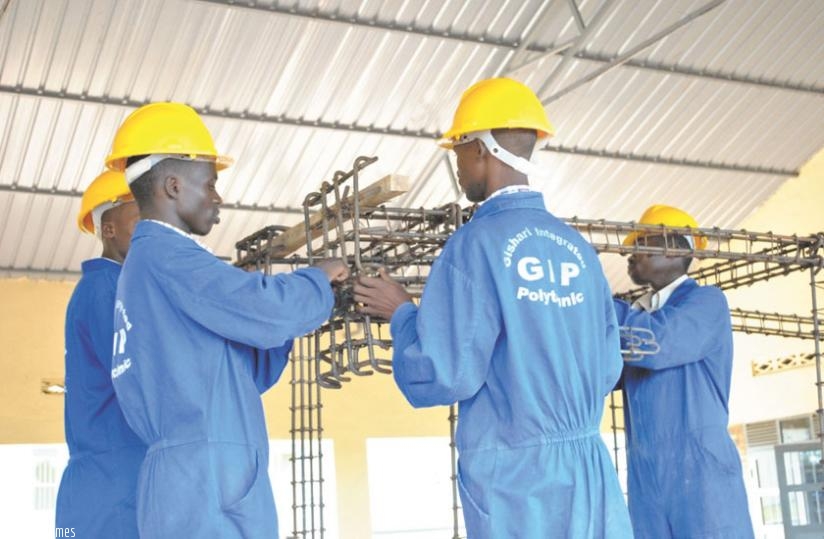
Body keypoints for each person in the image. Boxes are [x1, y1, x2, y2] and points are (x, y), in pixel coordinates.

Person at [353, 78, 632, 538]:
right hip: (588, 472)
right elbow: (606, 368)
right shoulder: (577, 250)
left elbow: (446, 372)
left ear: (480, 150)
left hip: (518, 485)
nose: (458, 166)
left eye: (458, 150)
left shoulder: (473, 247)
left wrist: (403, 315)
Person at [105, 102, 349, 538]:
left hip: (192, 476)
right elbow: (267, 311)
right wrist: (318, 279)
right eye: (211, 184)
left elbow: (244, 368)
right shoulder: (168, 255)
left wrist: (273, 320)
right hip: (207, 479)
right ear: (174, 186)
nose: (218, 198)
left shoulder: (145, 267)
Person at [614, 204, 754, 538]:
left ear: (675, 248)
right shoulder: (636, 315)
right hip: (646, 474)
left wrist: (603, 308)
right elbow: (606, 374)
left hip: (700, 471)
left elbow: (657, 344)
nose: (629, 254)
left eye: (641, 242)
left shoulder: (706, 303)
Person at [56, 170, 144, 537]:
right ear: (108, 230)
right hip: (113, 487)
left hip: (104, 484)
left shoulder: (108, 288)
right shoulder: (106, 290)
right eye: (140, 221)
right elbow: (144, 375)